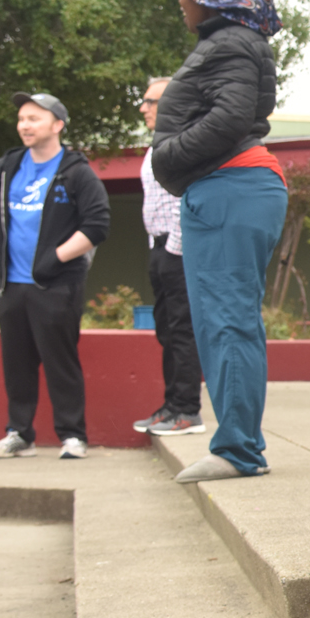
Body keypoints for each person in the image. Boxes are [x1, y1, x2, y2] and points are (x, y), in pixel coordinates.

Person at [149, 0, 288, 487]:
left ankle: (238, 450)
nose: (179, 0)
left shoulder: (228, 43)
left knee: (228, 321)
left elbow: (230, 117)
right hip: (228, 188)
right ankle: (238, 444)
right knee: (222, 321)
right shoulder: (229, 44)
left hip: (231, 187)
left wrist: (167, 155)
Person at [0, 92, 110, 460]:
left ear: (57, 125)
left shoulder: (76, 171)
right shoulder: (10, 165)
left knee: (61, 362)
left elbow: (98, 224)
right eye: (22, 118)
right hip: (12, 285)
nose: (25, 125)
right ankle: (19, 434)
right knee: (17, 364)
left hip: (56, 285)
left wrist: (54, 259)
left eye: (34, 118)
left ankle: (73, 436)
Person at [131, 76, 204, 437]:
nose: (144, 108)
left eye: (151, 101)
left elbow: (184, 201)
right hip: (159, 247)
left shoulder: (185, 144)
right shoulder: (156, 145)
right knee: (165, 328)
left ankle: (188, 410)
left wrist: (173, 249)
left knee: (182, 329)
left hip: (179, 249)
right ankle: (171, 405)